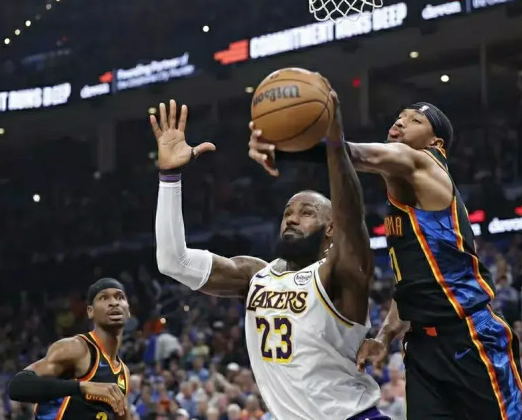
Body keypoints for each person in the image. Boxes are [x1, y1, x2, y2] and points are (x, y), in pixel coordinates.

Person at [249, 102, 522, 418]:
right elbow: (411, 283)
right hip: (422, 346)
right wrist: (385, 337)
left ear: (435, 142)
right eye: (399, 117)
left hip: (470, 336)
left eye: (415, 120)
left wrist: (286, 145)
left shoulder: (423, 162)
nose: (401, 122)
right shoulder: (403, 190)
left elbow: (354, 154)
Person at [151, 93, 386, 419]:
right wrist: (169, 177)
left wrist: (335, 143)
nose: (292, 219)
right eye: (288, 212)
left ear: (331, 228)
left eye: (307, 213)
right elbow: (173, 261)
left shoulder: (340, 274)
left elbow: (351, 218)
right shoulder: (254, 275)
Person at [7, 278, 131, 419]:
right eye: (104, 298)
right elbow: (17, 386)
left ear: (128, 310)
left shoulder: (124, 373)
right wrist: (81, 387)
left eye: (120, 297)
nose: (114, 302)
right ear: (90, 311)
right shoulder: (77, 348)